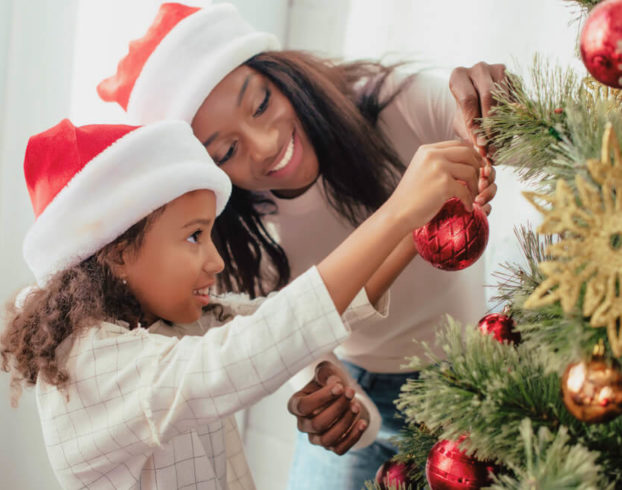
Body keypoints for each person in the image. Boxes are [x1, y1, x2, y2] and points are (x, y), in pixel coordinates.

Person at [96, 3, 503, 488]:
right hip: (363, 379)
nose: (265, 144)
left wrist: (494, 103)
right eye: (225, 151)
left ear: (284, 75)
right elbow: (288, 330)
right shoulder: (238, 239)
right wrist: (330, 393)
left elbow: (518, 130)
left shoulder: (396, 106)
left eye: (262, 103)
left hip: (473, 377)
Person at [0, 118, 482, 489]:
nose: (214, 261)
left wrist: (420, 222)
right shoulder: (88, 367)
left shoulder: (169, 323)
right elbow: (246, 350)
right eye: (193, 236)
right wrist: (397, 211)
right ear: (118, 250)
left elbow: (289, 315)